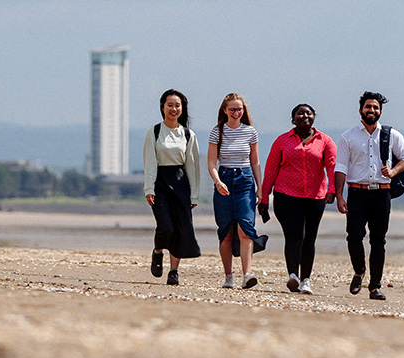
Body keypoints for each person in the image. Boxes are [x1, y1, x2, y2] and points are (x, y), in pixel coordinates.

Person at [334, 91, 404, 300]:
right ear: (360, 110)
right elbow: (340, 167)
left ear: (380, 111)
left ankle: (375, 286)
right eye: (368, 107)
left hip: (382, 195)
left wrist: (393, 172)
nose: (372, 110)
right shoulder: (348, 136)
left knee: (378, 240)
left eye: (376, 107)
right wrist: (339, 196)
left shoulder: (391, 135)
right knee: (354, 236)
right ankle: (359, 271)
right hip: (357, 193)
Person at [258, 104, 337, 295]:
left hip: (315, 197)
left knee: (309, 238)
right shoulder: (282, 141)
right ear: (293, 119)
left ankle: (306, 280)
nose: (305, 116)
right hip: (286, 196)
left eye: (308, 113)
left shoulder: (325, 141)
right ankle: (293, 275)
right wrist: (264, 197)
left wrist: (332, 190)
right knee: (294, 235)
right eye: (300, 113)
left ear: (314, 117)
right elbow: (270, 169)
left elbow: (332, 167)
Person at [208, 92, 268, 289]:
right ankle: (228, 276)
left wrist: (260, 188)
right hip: (224, 178)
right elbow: (211, 162)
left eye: (239, 109)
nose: (236, 113)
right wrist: (217, 181)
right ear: (225, 110)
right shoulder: (217, 132)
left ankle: (247, 274)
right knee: (225, 231)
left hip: (245, 181)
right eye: (232, 109)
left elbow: (255, 162)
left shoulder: (250, 132)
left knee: (245, 228)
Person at [143, 89, 201, 286]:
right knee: (165, 226)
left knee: (181, 228)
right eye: (170, 105)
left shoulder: (188, 134)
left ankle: (174, 271)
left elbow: (192, 166)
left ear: (182, 109)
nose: (174, 109)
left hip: (180, 183)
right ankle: (158, 251)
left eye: (177, 105)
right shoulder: (154, 131)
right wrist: (149, 188)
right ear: (162, 107)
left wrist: (194, 195)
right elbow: (150, 162)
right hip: (160, 182)